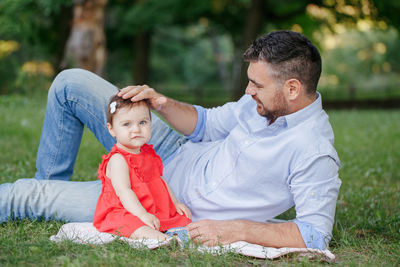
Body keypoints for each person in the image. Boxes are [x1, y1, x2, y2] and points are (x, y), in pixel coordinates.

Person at [0, 30, 341, 250]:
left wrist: (235, 229)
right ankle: (49, 192)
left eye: (256, 85)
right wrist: (161, 103)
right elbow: (205, 124)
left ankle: (40, 200)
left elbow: (313, 234)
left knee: (23, 196)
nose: (248, 91)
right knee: (70, 83)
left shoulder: (314, 152)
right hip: (172, 152)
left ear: (292, 88)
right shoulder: (260, 103)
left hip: (156, 201)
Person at [93, 96, 191, 241]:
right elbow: (124, 191)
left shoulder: (148, 153)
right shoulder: (118, 159)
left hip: (151, 207)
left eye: (143, 122)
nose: (136, 129)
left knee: (181, 218)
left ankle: (176, 232)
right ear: (111, 129)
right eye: (127, 124)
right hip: (125, 210)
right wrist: (141, 214)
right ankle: (162, 239)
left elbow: (161, 180)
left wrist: (175, 202)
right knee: (131, 224)